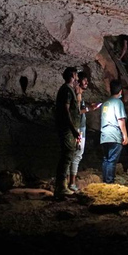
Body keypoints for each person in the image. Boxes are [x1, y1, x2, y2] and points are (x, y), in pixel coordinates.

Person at [69, 72, 101, 192]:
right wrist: (89, 109)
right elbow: (76, 112)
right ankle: (71, 183)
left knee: (76, 154)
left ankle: (70, 181)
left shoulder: (79, 95)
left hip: (80, 127)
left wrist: (87, 106)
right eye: (84, 80)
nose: (87, 83)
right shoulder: (76, 94)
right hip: (78, 128)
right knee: (77, 154)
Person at [54, 67, 81, 199]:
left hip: (69, 129)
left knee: (68, 155)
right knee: (67, 156)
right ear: (73, 75)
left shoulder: (69, 89)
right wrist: (73, 129)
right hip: (67, 129)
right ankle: (61, 187)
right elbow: (66, 110)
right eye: (76, 75)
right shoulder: (66, 90)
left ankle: (61, 186)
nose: (77, 77)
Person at [100, 79, 128, 184]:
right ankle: (109, 182)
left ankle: (105, 180)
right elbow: (121, 120)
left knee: (106, 159)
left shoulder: (105, 103)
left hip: (104, 135)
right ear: (120, 91)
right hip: (114, 134)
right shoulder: (118, 102)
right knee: (112, 160)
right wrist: (125, 135)